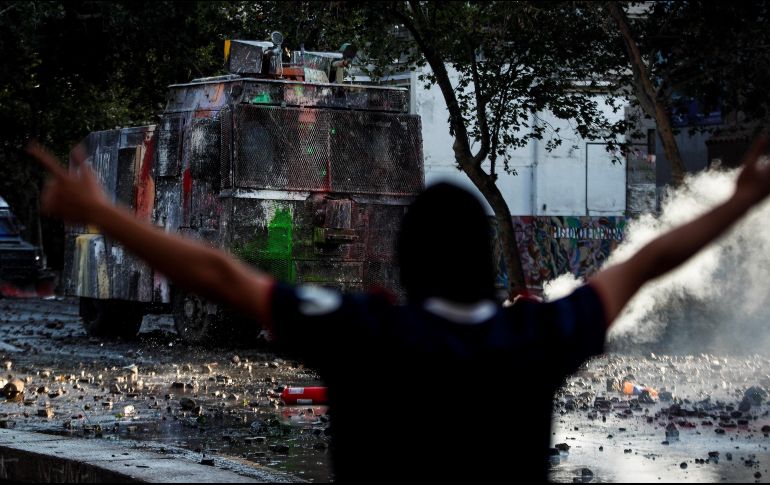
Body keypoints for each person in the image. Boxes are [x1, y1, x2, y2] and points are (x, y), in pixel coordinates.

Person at [27, 134, 770, 481]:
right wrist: (740, 200)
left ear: (406, 265)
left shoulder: (364, 332)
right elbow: (645, 263)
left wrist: (104, 213)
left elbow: (221, 274)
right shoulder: (538, 335)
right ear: (486, 267)